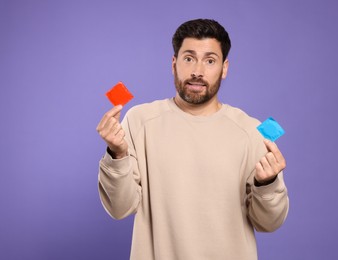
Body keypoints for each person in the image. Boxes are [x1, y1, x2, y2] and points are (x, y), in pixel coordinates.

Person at [96, 19, 289, 260]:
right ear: (174, 64)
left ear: (224, 68)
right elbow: (119, 208)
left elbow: (269, 223)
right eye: (189, 58)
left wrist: (267, 183)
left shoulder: (251, 131)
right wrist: (117, 155)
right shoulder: (139, 121)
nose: (198, 71)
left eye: (210, 61)